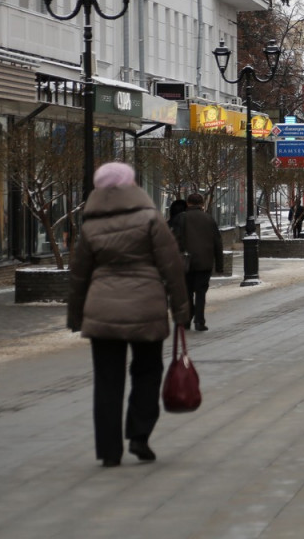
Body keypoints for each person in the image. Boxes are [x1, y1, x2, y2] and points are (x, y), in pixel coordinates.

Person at [67, 162, 190, 468]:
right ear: (132, 185)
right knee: (147, 372)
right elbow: (171, 266)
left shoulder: (90, 225)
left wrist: (75, 316)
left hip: (102, 308)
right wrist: (181, 309)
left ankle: (109, 450)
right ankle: (139, 435)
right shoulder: (149, 218)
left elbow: (79, 274)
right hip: (145, 305)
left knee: (107, 380)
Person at [170, 193, 223, 331]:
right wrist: (219, 265)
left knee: (187, 292)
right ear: (202, 204)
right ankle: (199, 321)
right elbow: (218, 242)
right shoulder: (209, 219)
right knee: (201, 292)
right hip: (205, 262)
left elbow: (175, 239)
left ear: (188, 203)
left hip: (186, 262)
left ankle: (187, 320)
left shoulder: (181, 218)